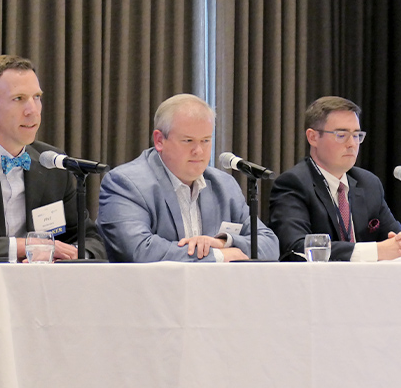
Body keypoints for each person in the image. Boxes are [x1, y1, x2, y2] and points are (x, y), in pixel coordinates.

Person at [98, 94, 279, 262]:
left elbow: (270, 244)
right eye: (188, 141)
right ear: (159, 140)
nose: (198, 151)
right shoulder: (125, 183)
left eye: (205, 140)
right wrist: (217, 256)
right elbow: (140, 250)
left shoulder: (224, 185)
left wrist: (224, 242)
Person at [0, 55, 107, 261]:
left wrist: (73, 254)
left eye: (37, 97)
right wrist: (22, 246)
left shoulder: (53, 164)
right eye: (18, 98)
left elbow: (91, 240)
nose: (33, 110)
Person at [269, 96, 401, 261]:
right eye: (341, 135)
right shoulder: (293, 183)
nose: (352, 144)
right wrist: (376, 251)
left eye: (356, 135)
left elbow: (395, 239)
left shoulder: (369, 183)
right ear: (313, 137)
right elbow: (295, 247)